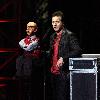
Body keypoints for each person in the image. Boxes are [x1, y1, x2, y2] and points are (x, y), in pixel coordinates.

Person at [47, 11, 82, 100]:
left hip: (63, 74)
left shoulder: (69, 35)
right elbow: (52, 53)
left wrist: (64, 58)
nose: (54, 24)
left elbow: (77, 50)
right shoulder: (52, 37)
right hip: (53, 73)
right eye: (53, 22)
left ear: (62, 23)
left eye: (57, 22)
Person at [15, 21, 44, 100]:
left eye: (31, 27)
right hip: (25, 66)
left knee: (33, 90)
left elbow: (28, 47)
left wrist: (25, 46)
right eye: (27, 27)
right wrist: (25, 46)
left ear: (35, 29)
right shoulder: (24, 39)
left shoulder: (37, 40)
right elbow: (21, 44)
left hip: (34, 66)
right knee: (20, 59)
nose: (28, 29)